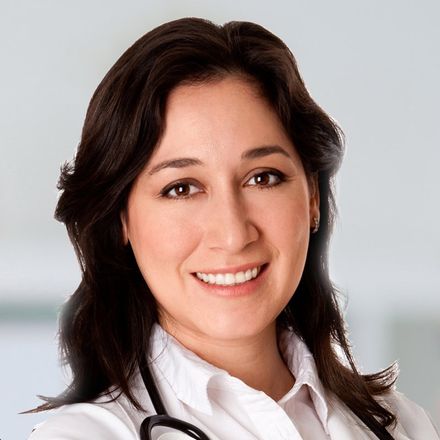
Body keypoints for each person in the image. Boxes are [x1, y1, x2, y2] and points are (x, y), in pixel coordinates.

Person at [27, 17, 438, 440]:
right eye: (181, 188)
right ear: (121, 220)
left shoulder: (404, 426)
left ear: (312, 196)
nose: (233, 234)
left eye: (263, 178)